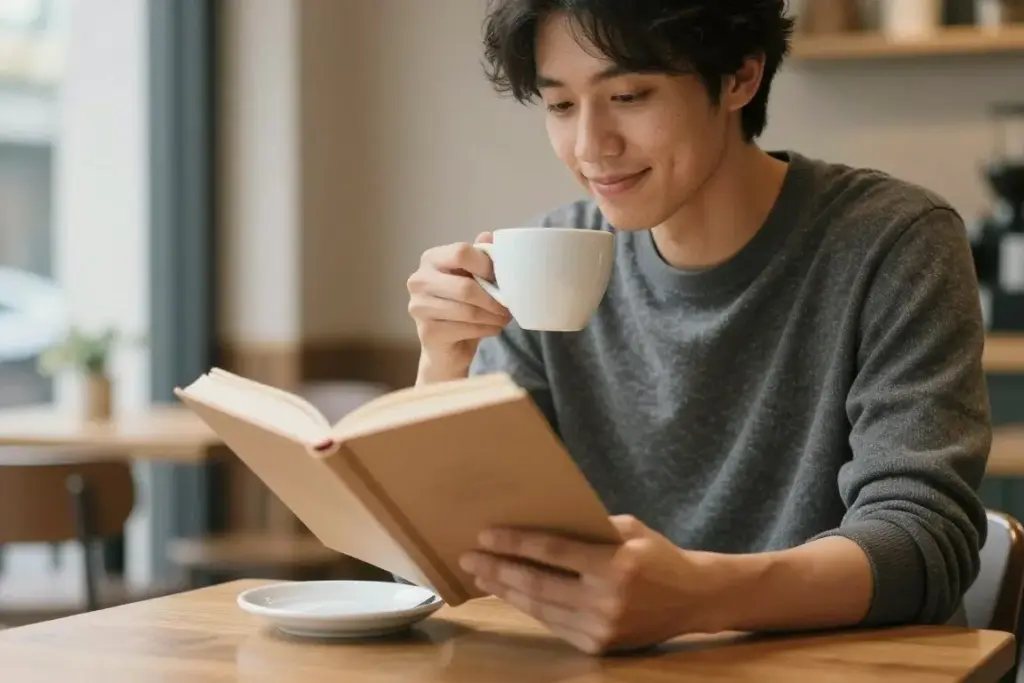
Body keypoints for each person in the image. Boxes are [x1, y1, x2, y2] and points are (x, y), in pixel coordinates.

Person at [405, 0, 991, 655]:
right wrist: (441, 369)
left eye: (627, 94)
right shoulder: (539, 262)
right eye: (561, 106)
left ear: (741, 77)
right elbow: (461, 561)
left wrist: (699, 594)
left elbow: (922, 541)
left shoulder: (892, 241)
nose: (591, 146)